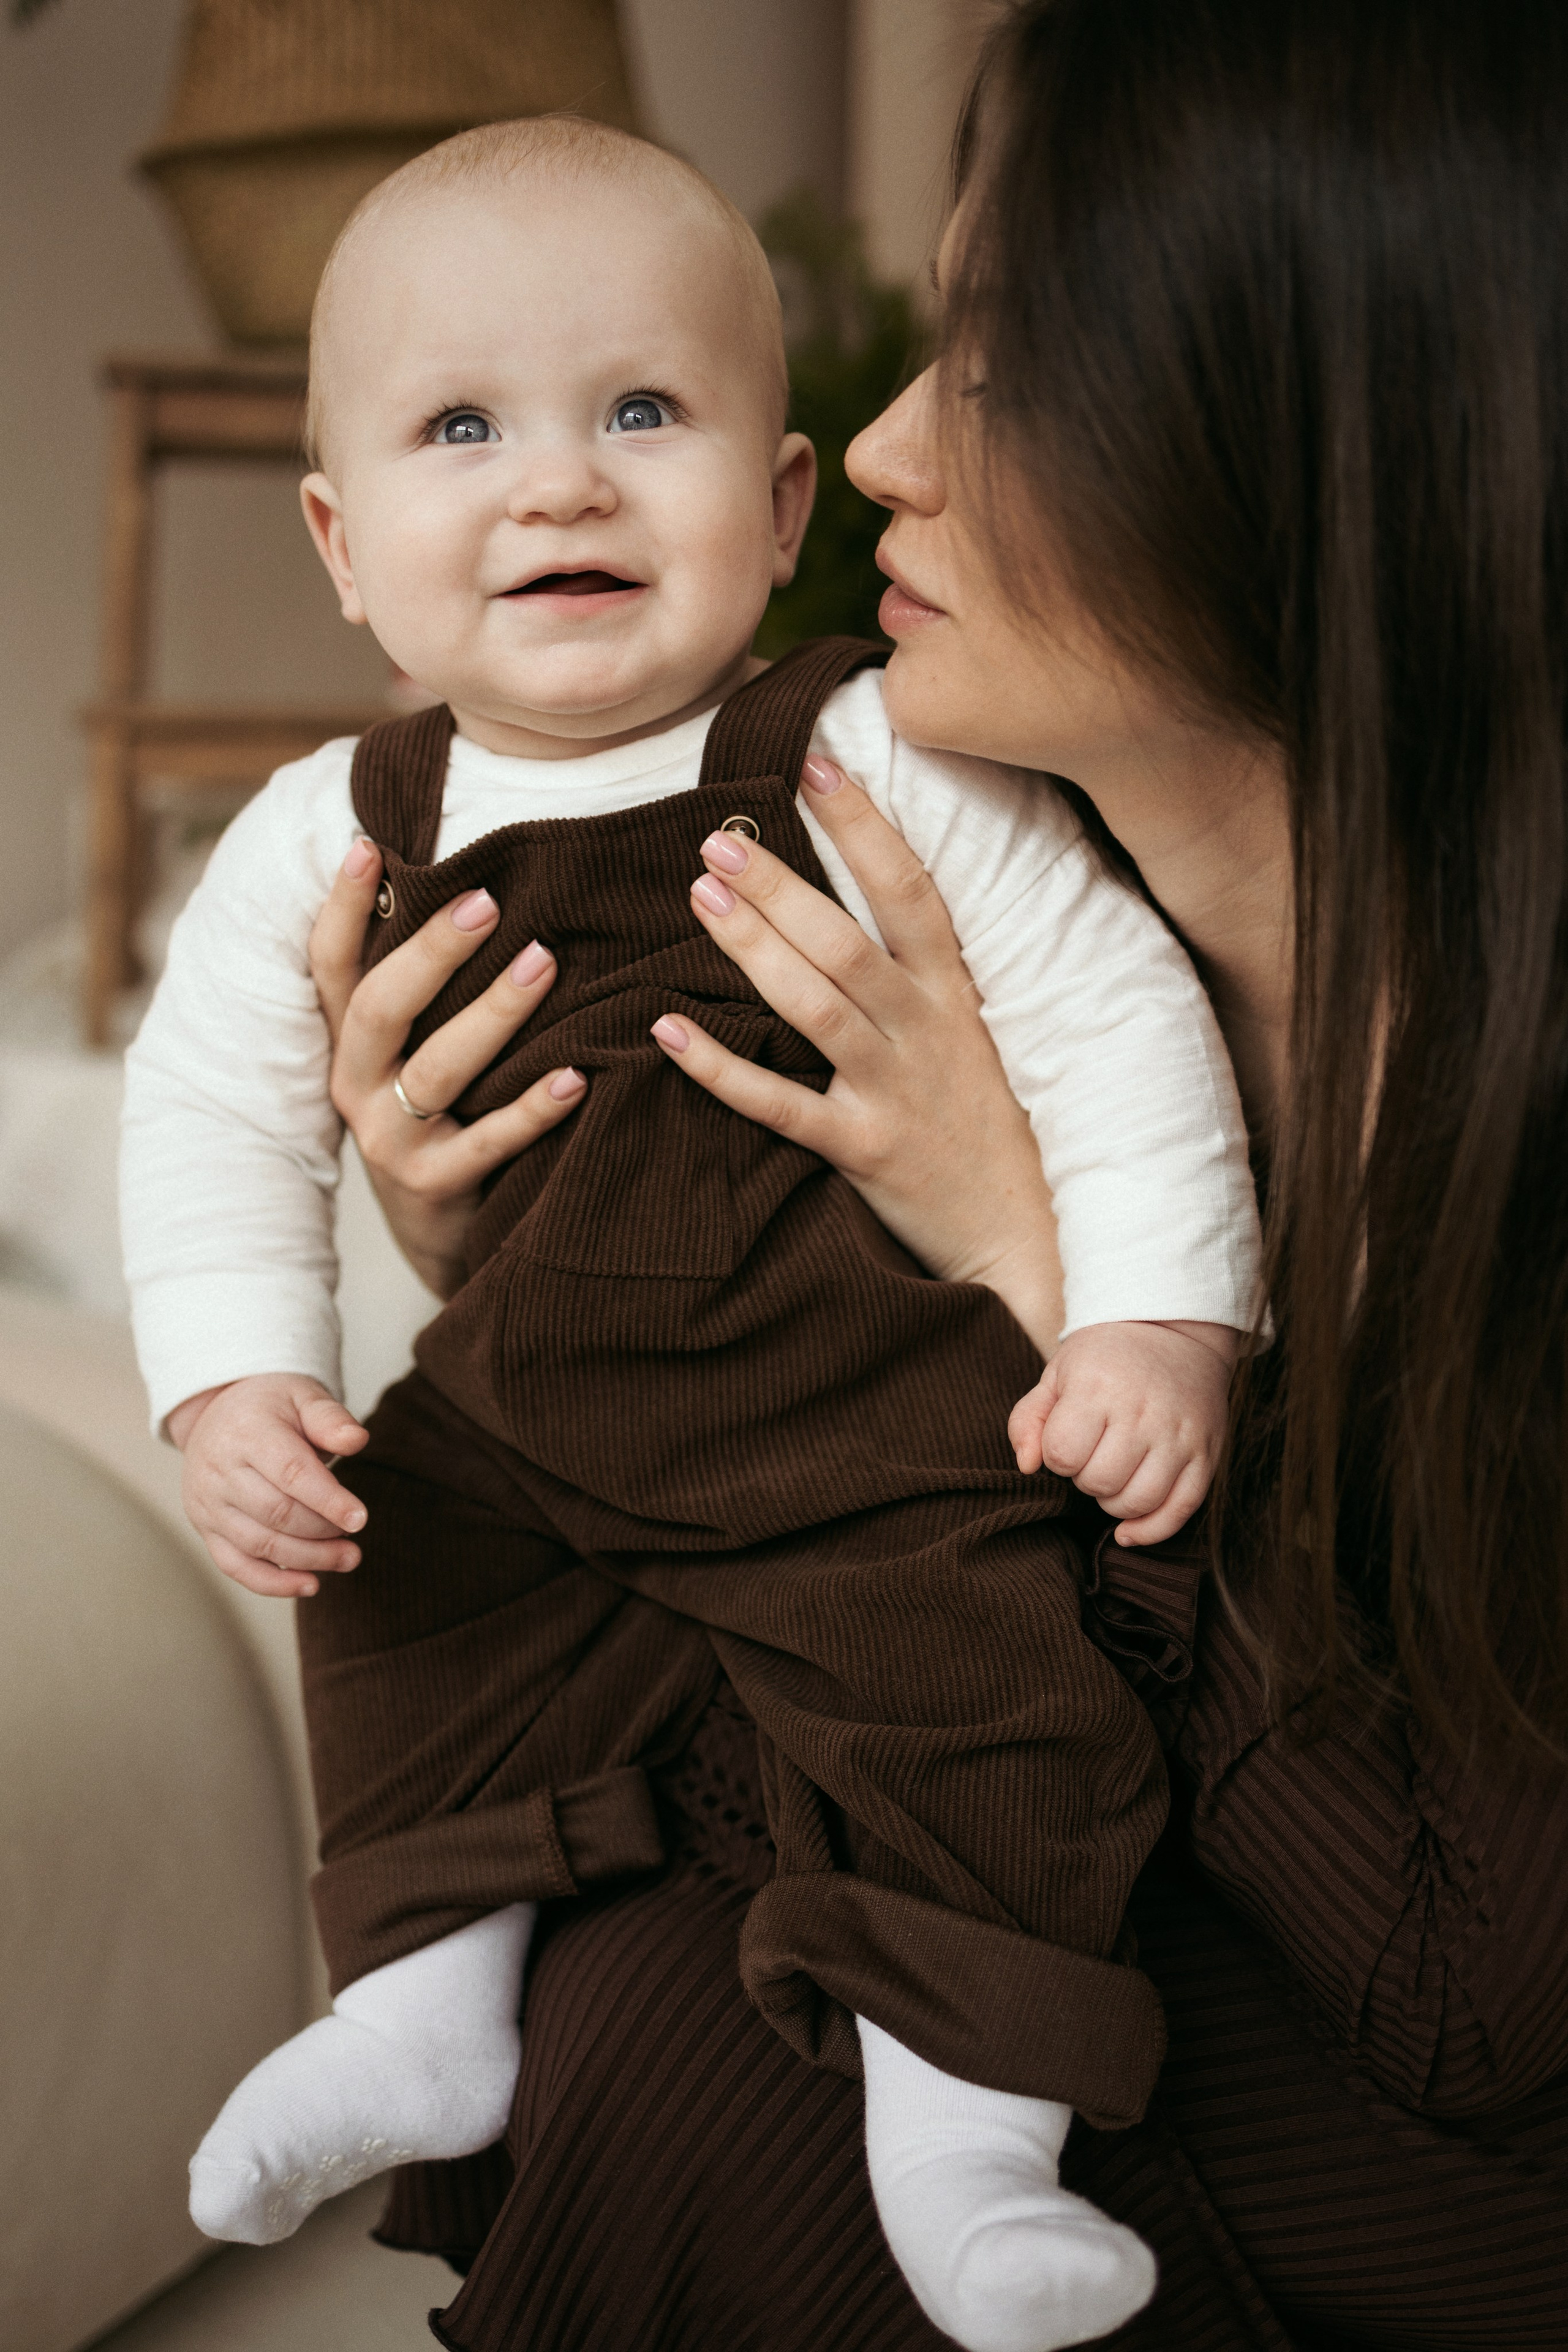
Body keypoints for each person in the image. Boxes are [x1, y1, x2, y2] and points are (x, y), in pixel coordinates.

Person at [297, 2, 1568, 2346]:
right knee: (655, 1981)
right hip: (1068, 1852)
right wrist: (501, 1247)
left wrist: (1039, 1268)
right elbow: (751, 1624)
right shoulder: (926, 900)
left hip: (1449, 2125)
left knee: (716, 2071)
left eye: (1002, 363)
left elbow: (1455, 1995)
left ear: (1317, 442)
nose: (878, 448)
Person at [118, 109, 1272, 2352]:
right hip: (531, 1409)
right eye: (465, 428)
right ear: (343, 543)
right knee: (400, 1594)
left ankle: (968, 2138)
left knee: (979, 1700)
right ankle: (421, 2010)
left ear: (781, 502)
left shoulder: (866, 755)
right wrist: (235, 1377)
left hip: (862, 1406)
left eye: (642, 411)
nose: (559, 485)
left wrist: (1155, 1325)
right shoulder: (333, 825)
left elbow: (1118, 1018)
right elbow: (213, 1107)